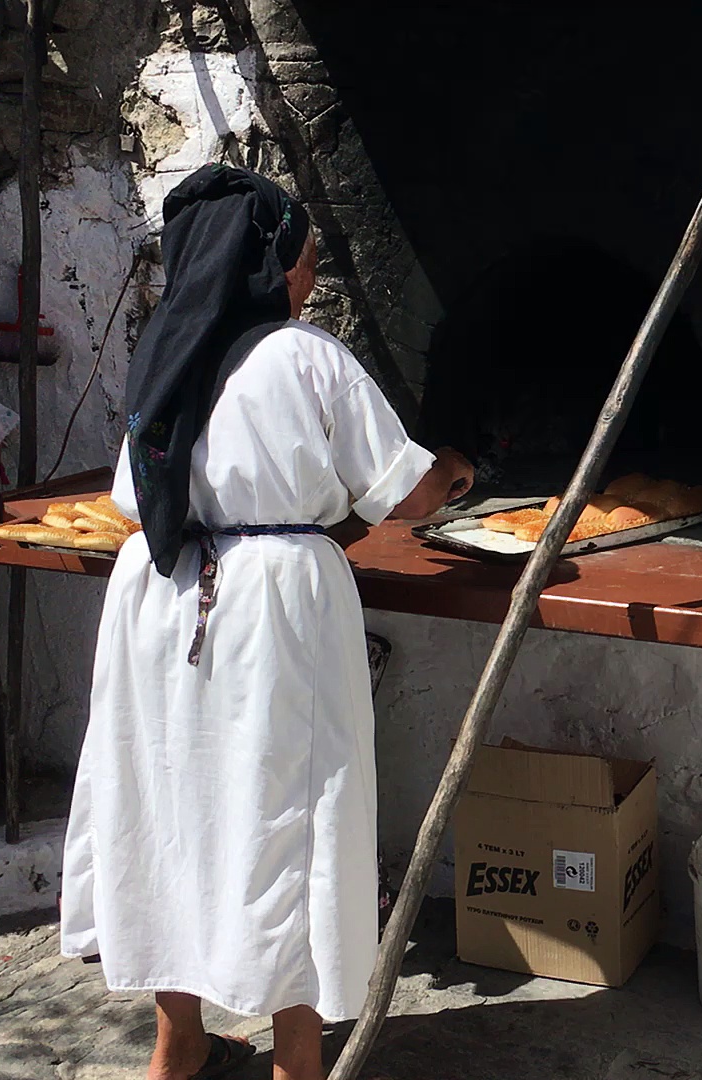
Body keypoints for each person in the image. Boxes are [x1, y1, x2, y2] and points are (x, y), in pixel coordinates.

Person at [59, 164, 474, 1080]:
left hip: (163, 595)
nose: (311, 278)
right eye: (305, 259)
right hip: (274, 607)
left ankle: (179, 1045)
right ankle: (296, 1061)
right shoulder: (305, 356)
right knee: (291, 811)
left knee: (172, 803)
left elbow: (141, 491)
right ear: (267, 265)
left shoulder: (164, 350)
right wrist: (451, 469)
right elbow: (404, 495)